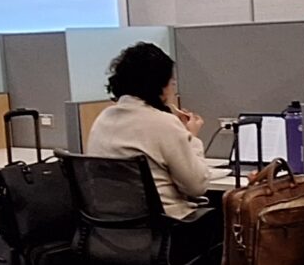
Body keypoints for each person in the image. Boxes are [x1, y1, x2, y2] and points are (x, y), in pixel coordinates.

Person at [85, 41, 213, 221]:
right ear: (159, 85)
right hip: (162, 227)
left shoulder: (103, 118)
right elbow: (197, 186)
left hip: (108, 225)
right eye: (171, 82)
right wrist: (191, 138)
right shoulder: (164, 123)